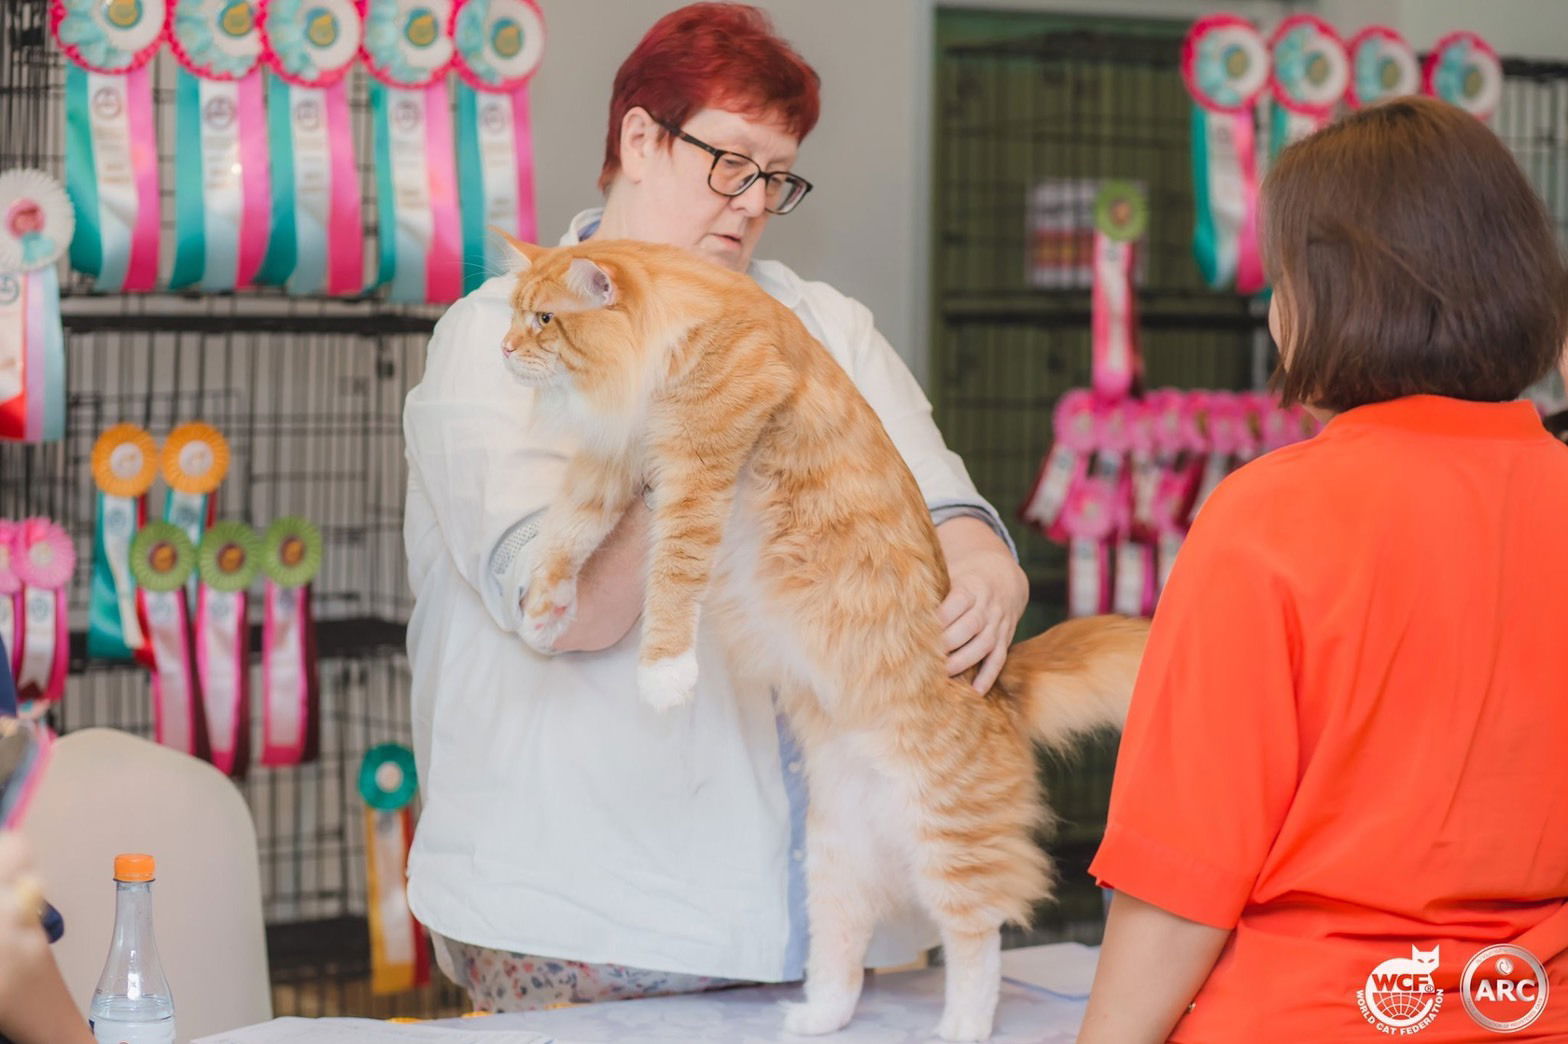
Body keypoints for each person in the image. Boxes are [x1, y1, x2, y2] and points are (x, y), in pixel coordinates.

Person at [402, 3, 1027, 1012]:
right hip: (584, 922)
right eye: (729, 163)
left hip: (823, 918)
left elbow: (940, 503)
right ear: (639, 140)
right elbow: (566, 615)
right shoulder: (495, 342)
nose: (750, 201)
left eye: (775, 176)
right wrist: (713, 430)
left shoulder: (821, 322)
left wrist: (987, 568)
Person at [1079, 96, 1568, 1042]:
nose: (1271, 312)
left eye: (1283, 278)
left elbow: (1184, 879)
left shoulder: (1268, 517)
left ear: (1336, 291)